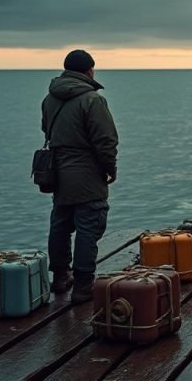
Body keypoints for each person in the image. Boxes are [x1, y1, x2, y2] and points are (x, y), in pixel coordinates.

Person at [42, 49, 119, 303]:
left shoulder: (50, 98)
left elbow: (46, 128)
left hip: (58, 171)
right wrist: (111, 167)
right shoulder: (92, 100)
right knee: (89, 224)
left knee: (60, 223)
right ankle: (84, 286)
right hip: (86, 170)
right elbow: (105, 139)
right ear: (89, 71)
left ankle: (61, 277)